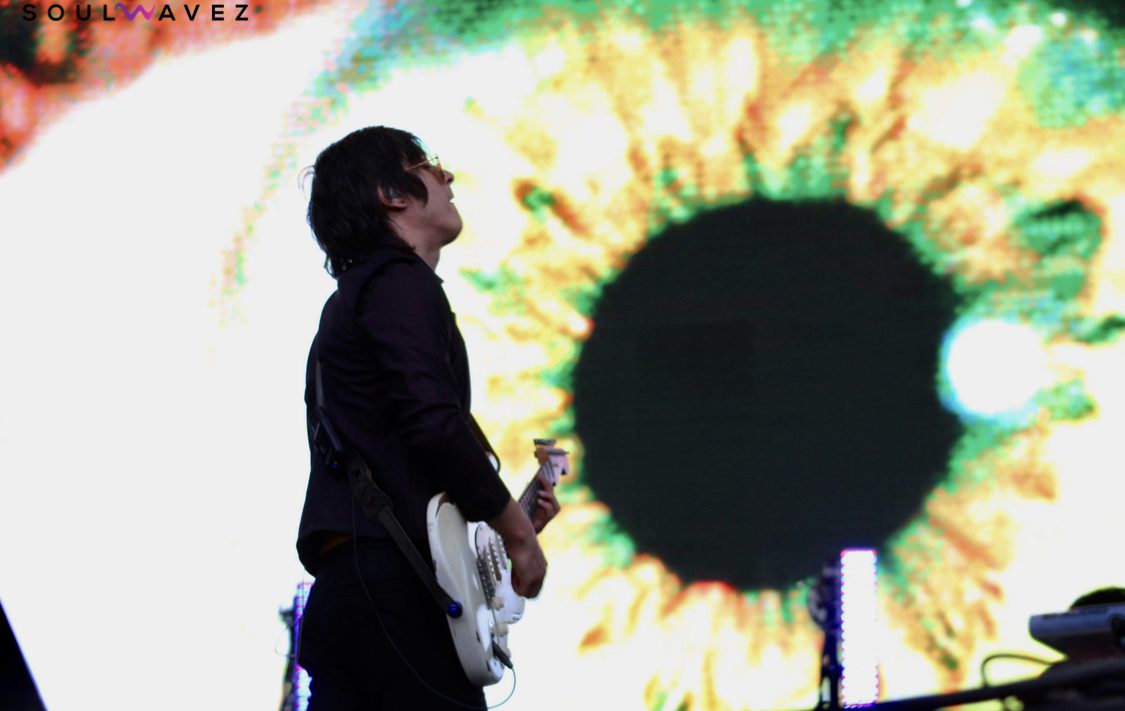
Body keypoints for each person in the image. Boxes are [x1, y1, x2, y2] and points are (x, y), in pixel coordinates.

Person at [294, 126, 560, 710]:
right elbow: (433, 425)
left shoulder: (348, 306)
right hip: (398, 598)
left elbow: (403, 466)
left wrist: (496, 533)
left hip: (349, 595)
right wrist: (518, 537)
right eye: (426, 165)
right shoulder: (399, 283)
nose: (446, 176)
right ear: (391, 194)